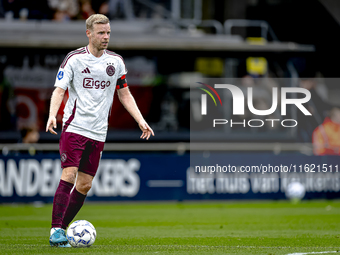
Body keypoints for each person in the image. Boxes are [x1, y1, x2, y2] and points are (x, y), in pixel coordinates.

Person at [46, 13, 154, 247]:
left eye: (108, 33)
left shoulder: (115, 62)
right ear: (89, 33)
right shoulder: (74, 59)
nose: (106, 37)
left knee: (85, 184)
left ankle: (62, 230)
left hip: (98, 132)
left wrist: (140, 119)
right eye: (101, 33)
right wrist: (53, 114)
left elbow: (124, 93)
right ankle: (55, 229)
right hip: (75, 126)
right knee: (69, 173)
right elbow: (59, 90)